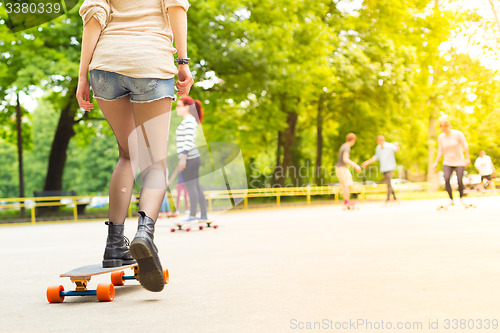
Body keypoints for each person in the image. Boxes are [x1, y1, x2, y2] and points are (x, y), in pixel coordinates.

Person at [76, 0, 193, 292]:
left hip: (105, 68)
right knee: (154, 162)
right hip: (149, 62)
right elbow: (176, 8)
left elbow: (93, 18)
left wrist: (82, 77)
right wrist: (183, 63)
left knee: (127, 154)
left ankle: (114, 245)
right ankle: (145, 234)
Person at [175, 97, 208, 222]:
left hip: (189, 158)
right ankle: (203, 215)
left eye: (179, 106)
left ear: (187, 107)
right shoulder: (188, 121)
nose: (177, 108)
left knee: (191, 186)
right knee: (196, 186)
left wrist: (183, 159)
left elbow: (188, 141)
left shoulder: (189, 121)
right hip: (191, 158)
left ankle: (193, 215)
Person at [433, 119, 471, 206]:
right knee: (446, 179)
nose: (444, 130)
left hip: (459, 161)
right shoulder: (441, 137)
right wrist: (436, 162)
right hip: (447, 161)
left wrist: (467, 158)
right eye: (442, 128)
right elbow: (440, 150)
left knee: (460, 180)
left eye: (445, 127)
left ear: (449, 126)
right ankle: (451, 199)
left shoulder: (458, 134)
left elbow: (465, 146)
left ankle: (461, 198)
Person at [361, 136, 400, 203]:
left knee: (388, 183)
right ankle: (394, 197)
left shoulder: (389, 146)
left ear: (382, 140)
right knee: (388, 183)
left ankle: (388, 199)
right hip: (383, 168)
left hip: (390, 167)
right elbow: (376, 157)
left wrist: (396, 145)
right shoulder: (378, 148)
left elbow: (397, 149)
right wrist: (367, 162)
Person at [336, 133, 362, 207]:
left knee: (346, 185)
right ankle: (346, 201)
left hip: (340, 168)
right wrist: (355, 165)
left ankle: (346, 200)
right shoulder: (347, 147)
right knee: (347, 184)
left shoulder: (343, 146)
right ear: (353, 140)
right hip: (342, 168)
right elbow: (345, 159)